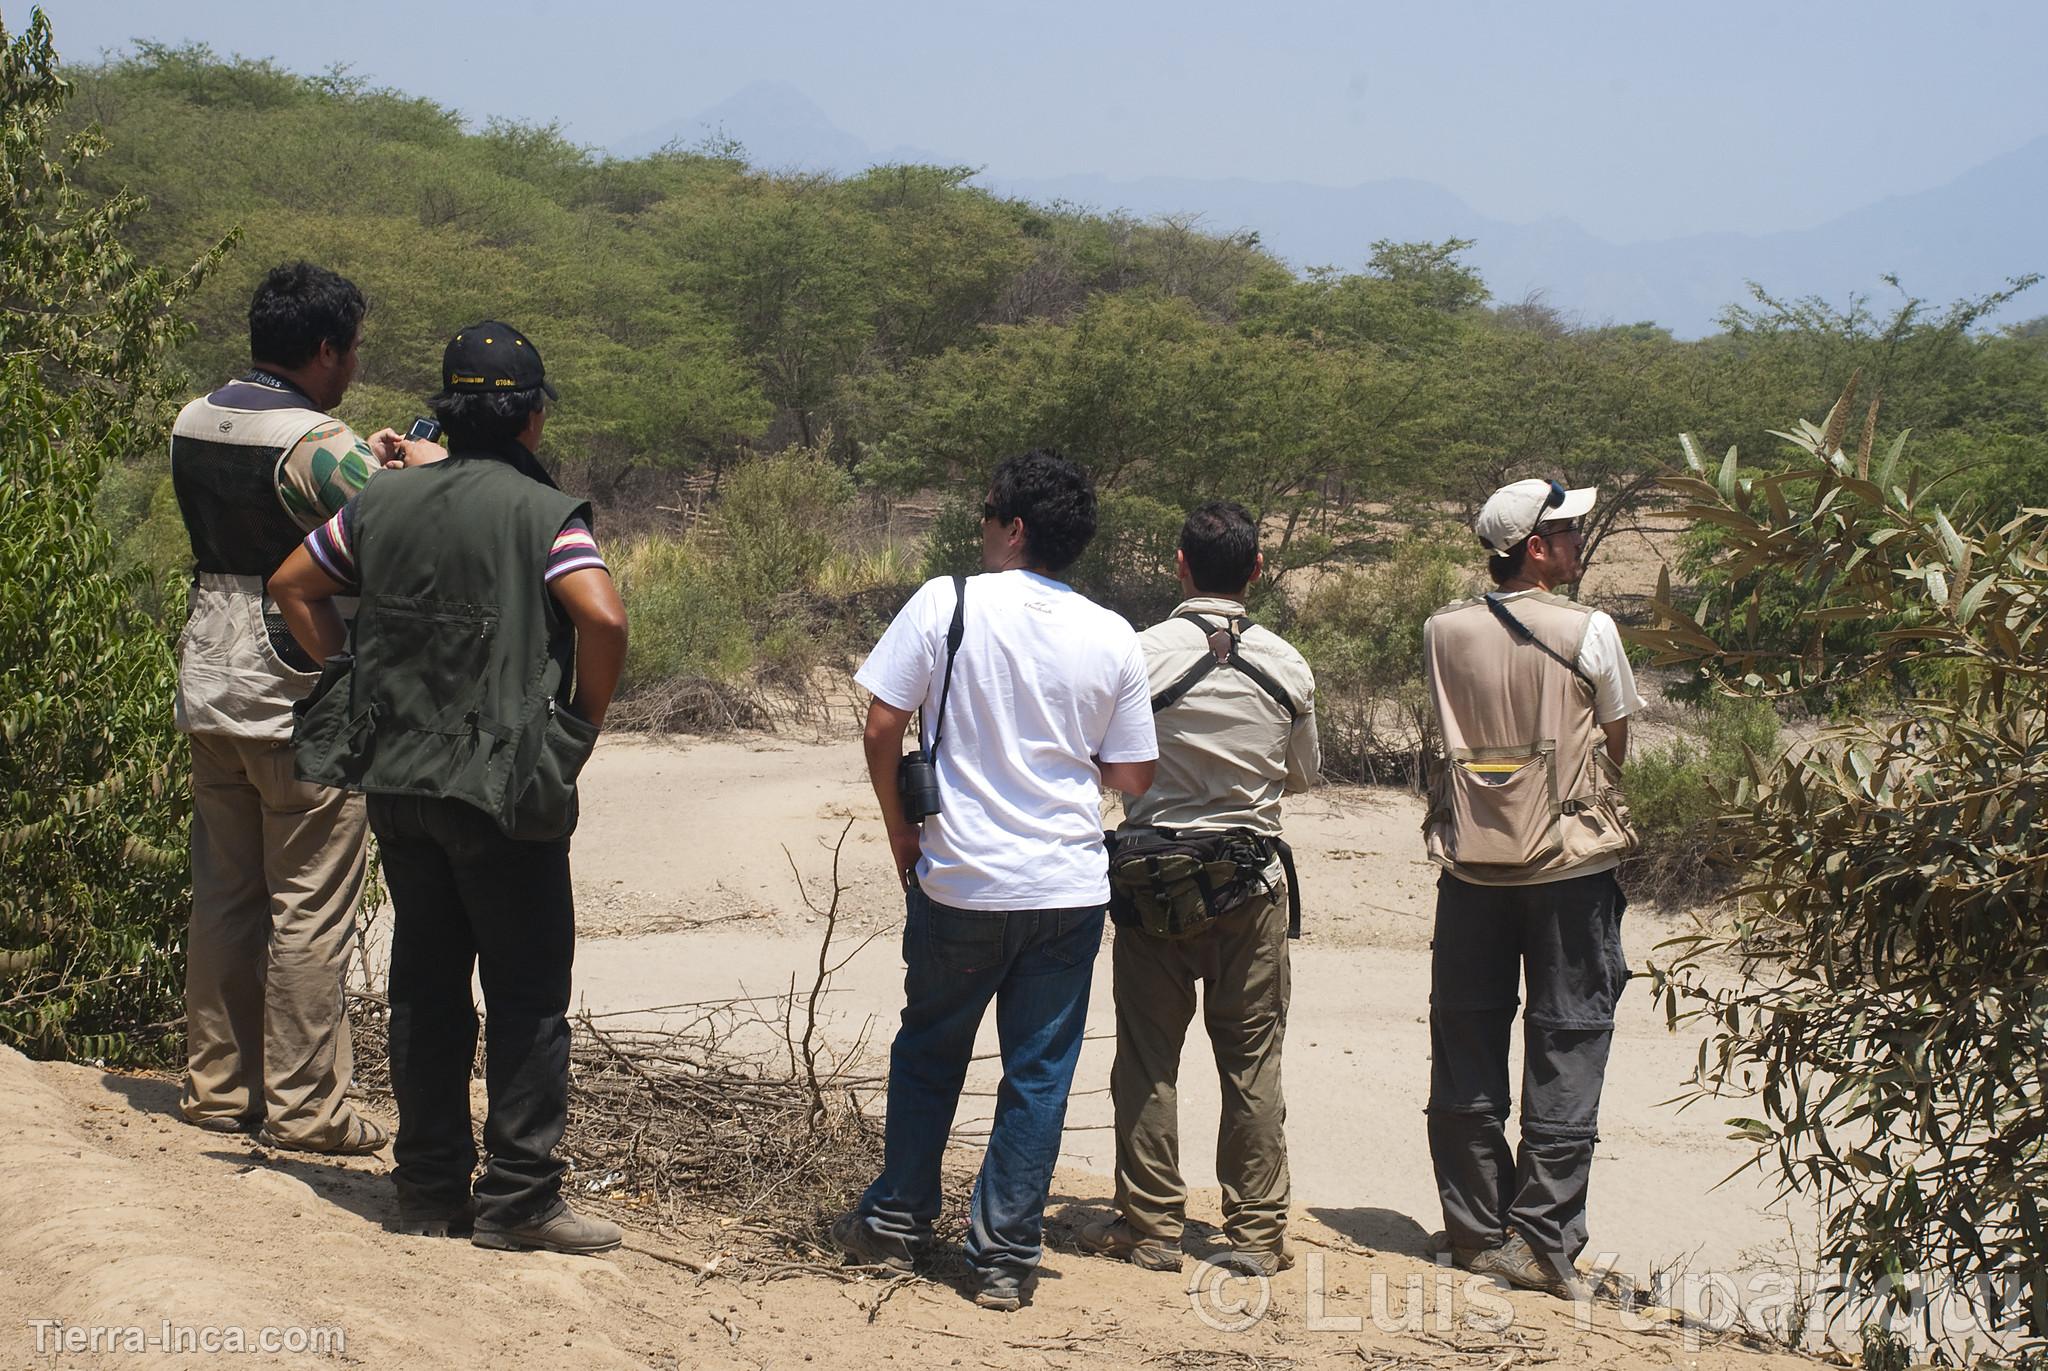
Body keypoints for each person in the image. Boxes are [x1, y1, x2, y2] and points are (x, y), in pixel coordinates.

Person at [269, 321, 629, 1255]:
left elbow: (293, 584)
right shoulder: (543, 514)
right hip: (505, 790)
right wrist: (578, 727)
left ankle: (429, 1186)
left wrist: (348, 676)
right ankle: (519, 1199)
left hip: (399, 781)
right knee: (528, 996)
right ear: (533, 418)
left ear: (450, 409)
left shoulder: (383, 504)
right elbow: (603, 616)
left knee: (427, 988)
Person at [833, 450, 1158, 1311]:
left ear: (1013, 528)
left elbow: (880, 723)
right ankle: (1003, 1256)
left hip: (961, 882)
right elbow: (1133, 775)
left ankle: (896, 1223)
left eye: (986, 514)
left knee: (930, 1050)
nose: (980, 528)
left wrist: (900, 826)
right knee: (1039, 1072)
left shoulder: (951, 601)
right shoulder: (1113, 633)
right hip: (1066, 891)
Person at [170, 261, 421, 1153]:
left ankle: (218, 1086)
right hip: (298, 687)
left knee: (227, 894)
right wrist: (410, 463)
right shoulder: (314, 440)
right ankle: (308, 1107)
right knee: (308, 907)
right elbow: (400, 521)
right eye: (351, 350)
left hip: (210, 671)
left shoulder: (193, 418)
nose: (353, 366)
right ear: (324, 350)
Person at [1080, 501, 1319, 1278]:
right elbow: (1303, 774)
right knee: (1251, 1059)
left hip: (1151, 883)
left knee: (1148, 1056)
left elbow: (1105, 765)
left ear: (1179, 565)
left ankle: (1149, 1227)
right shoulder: (1287, 662)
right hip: (1251, 886)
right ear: (1256, 570)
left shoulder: (1136, 654)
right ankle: (1253, 1232)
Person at [1420, 477, 1641, 1300]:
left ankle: (1475, 1229)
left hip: (1469, 868)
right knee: (1568, 1038)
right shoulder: (1591, 629)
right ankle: (1543, 1239)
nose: (1580, 541)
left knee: (1466, 1040)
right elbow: (1617, 743)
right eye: (1569, 530)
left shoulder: (1441, 629)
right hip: (1570, 870)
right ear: (1536, 548)